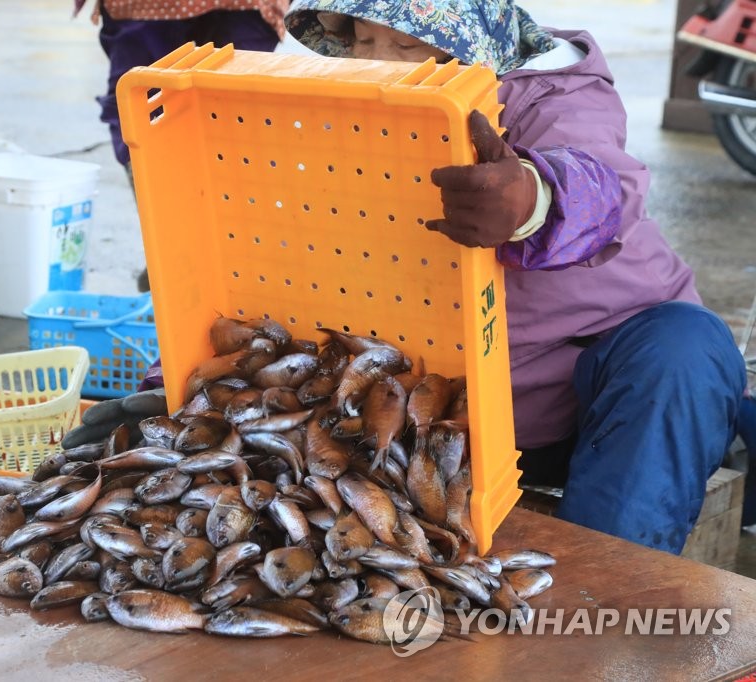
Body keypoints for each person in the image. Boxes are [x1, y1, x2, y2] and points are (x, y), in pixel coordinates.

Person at [276, 0, 747, 554]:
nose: (381, 64)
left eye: (408, 44)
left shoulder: (554, 96)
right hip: (432, 413)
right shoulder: (334, 106)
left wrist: (533, 198)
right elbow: (269, 258)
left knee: (684, 349)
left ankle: (601, 602)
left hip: (583, 404)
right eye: (360, 38)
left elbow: (602, 187)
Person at [74, 0, 291, 291]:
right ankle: (172, 254)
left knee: (236, 119)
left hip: (239, 6)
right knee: (139, 109)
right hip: (141, 9)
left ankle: (236, 262)